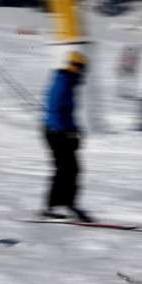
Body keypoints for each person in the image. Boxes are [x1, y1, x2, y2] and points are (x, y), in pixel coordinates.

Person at [41, 51, 92, 222]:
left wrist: (75, 130)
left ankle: (67, 205)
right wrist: (68, 134)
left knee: (71, 169)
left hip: (61, 132)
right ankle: (52, 207)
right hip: (55, 132)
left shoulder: (69, 83)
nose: (82, 71)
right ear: (73, 66)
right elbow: (55, 112)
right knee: (65, 169)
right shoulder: (63, 83)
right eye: (80, 67)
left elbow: (68, 113)